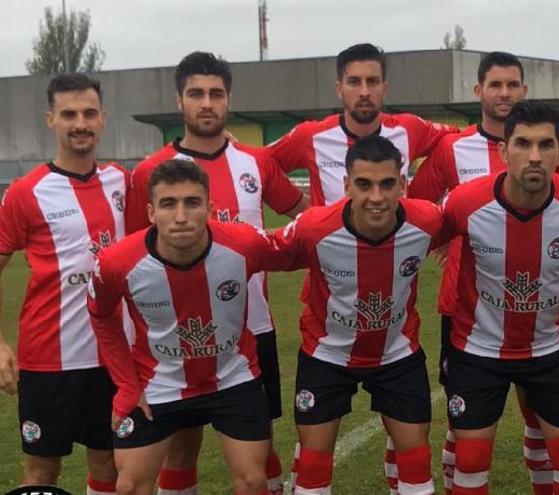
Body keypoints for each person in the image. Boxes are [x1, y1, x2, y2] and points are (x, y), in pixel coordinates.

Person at [125, 52, 306, 495]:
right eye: (196, 94)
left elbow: (302, 216)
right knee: (181, 447)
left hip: (250, 329)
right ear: (180, 100)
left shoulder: (256, 163)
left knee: (258, 448)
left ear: (228, 100)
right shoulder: (151, 172)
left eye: (216, 94)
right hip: (170, 337)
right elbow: (132, 257)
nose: (207, 103)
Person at [88, 159, 297, 495]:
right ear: (151, 212)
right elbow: (100, 314)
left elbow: (299, 251)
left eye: (192, 203)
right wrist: (127, 384)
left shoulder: (245, 244)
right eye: (169, 204)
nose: (181, 216)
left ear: (210, 208)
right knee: (127, 486)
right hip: (158, 382)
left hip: (233, 376)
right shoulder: (117, 263)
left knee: (253, 481)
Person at [439, 101, 559, 494]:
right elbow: (419, 236)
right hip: (478, 350)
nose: (534, 156)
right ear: (503, 151)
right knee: (469, 463)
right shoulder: (465, 204)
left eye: (545, 144)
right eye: (522, 143)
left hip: (551, 350)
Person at [409, 51, 556, 495]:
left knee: (538, 412)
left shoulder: (541, 146)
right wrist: (446, 242)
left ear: (524, 91)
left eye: (513, 85)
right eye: (496, 85)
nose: (505, 93)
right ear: (479, 91)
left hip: (536, 308)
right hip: (464, 306)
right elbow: (418, 209)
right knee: (464, 418)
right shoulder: (452, 149)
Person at [274, 135, 439, 495]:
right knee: (314, 465)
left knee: (417, 461)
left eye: (387, 184)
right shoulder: (315, 228)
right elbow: (260, 250)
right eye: (364, 184)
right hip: (327, 354)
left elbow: (465, 223)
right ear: (347, 185)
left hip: (397, 353)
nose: (376, 197)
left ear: (403, 185)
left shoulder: (427, 221)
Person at [0, 73, 124, 494]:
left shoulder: (122, 182)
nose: (80, 123)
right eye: (69, 114)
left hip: (111, 357)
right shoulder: (25, 192)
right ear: (50, 119)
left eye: (89, 113)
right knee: (41, 471)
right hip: (47, 360)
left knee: (109, 462)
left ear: (104, 119)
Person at [269, 42, 456, 207]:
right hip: (332, 246)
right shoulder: (310, 136)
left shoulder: (409, 129)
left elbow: (463, 139)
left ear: (384, 89)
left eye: (373, 82)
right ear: (339, 89)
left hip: (397, 244)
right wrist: (297, 204)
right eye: (354, 82)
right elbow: (261, 163)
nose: (364, 91)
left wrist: (420, 199)